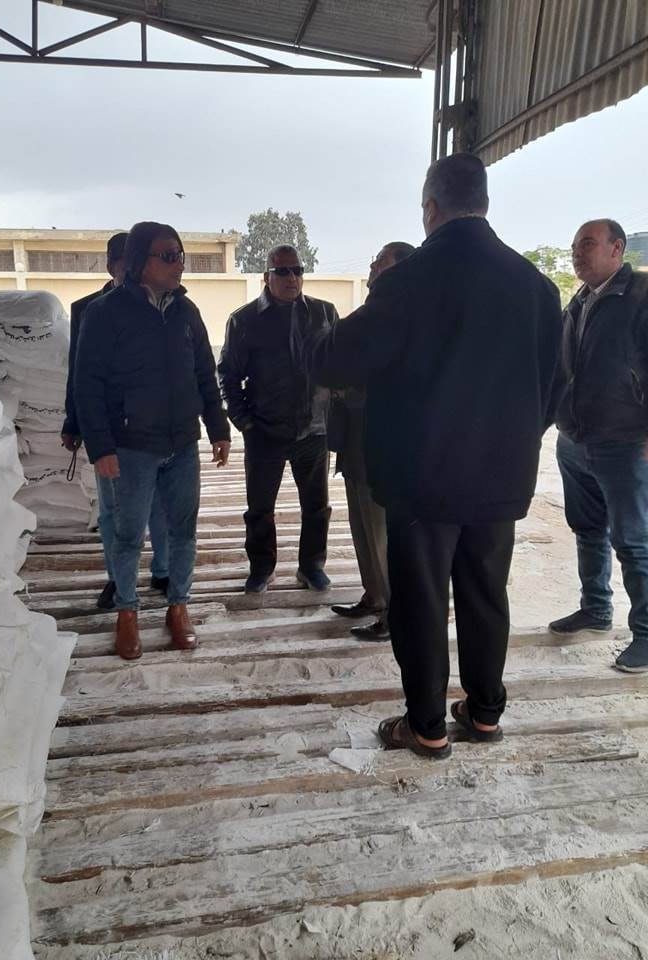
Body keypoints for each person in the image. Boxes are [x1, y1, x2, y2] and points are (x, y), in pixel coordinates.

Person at [312, 153, 563, 759]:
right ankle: (484, 713)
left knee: (422, 603)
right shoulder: (536, 286)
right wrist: (510, 438)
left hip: (423, 479)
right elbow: (555, 388)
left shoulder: (408, 281)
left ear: (430, 207)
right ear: (484, 202)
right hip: (500, 477)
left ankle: (426, 725)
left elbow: (333, 361)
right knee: (486, 594)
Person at [74, 221, 231, 660]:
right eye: (169, 256)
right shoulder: (104, 314)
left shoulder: (187, 312)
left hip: (182, 444)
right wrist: (101, 447)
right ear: (139, 261)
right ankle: (127, 612)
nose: (179, 264)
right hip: (130, 447)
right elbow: (87, 385)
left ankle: (178, 607)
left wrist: (218, 428)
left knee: (183, 532)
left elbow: (204, 373)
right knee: (127, 535)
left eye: (181, 255)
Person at [549, 219, 648, 673]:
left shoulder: (640, 294)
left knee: (633, 539)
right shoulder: (579, 301)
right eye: (574, 246)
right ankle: (596, 607)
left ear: (616, 248)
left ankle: (646, 633)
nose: (577, 253)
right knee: (587, 528)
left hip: (623, 440)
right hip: (575, 438)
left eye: (587, 244)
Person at [218, 244, 338, 593]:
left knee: (317, 507)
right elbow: (228, 376)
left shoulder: (324, 314)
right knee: (259, 508)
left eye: (297, 270)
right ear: (266, 276)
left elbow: (340, 365)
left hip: (313, 430)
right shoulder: (244, 320)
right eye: (282, 271)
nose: (291, 278)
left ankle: (311, 566)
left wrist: (333, 415)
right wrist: (244, 422)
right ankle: (261, 568)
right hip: (264, 430)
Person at [60, 231, 170, 611]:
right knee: (111, 510)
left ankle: (163, 570)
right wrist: (74, 422)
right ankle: (117, 578)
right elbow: (79, 374)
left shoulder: (163, 304)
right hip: (108, 428)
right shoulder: (88, 309)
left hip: (155, 428)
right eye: (128, 264)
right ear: (112, 266)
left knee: (158, 503)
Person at [331, 241, 415, 640]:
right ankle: (375, 596)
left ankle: (396, 615)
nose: (372, 267)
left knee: (381, 532)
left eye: (380, 261)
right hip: (354, 439)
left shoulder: (402, 315)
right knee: (362, 526)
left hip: (381, 443)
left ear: (400, 270)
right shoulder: (374, 311)